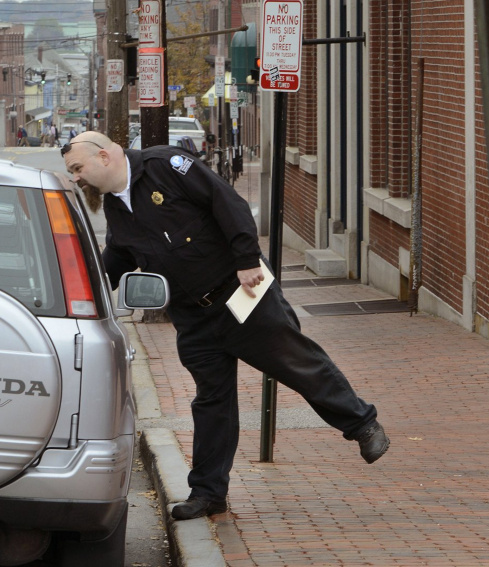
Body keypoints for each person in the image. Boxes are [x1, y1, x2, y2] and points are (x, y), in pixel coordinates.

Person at [61, 133, 390, 521]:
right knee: (211, 402)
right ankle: (208, 493)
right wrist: (82, 290)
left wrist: (248, 258)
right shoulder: (117, 206)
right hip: (193, 317)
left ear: (104, 155)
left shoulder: (167, 166)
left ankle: (363, 425)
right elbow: (118, 254)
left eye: (78, 169)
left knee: (295, 362)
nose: (77, 179)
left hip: (241, 295)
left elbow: (227, 202)